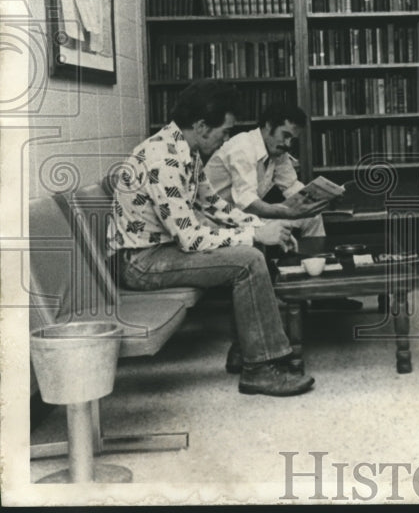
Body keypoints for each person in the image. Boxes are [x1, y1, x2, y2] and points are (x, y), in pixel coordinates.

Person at [108, 80, 315, 397]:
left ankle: (248, 348)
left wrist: (260, 226)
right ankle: (259, 369)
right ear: (202, 126)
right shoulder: (163, 159)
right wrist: (254, 233)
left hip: (162, 250)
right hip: (141, 263)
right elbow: (190, 238)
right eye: (225, 131)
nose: (227, 138)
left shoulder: (186, 151)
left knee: (251, 245)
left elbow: (213, 204)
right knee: (247, 260)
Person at [204, 103, 333, 240]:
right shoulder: (243, 146)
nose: (288, 144)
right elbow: (247, 203)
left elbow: (291, 186)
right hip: (216, 221)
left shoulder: (277, 150)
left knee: (312, 217)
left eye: (292, 139)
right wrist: (288, 212)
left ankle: (316, 261)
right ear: (269, 125)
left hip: (241, 217)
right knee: (278, 228)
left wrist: (322, 198)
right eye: (285, 135)